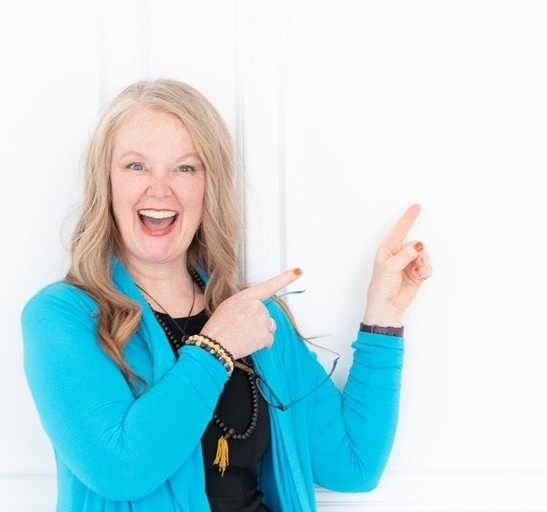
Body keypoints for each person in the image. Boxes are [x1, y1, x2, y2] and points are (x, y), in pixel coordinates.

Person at [21, 78, 432, 512]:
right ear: (106, 183)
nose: (159, 189)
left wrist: (384, 315)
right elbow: (122, 469)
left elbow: (354, 465)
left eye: (186, 168)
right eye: (136, 166)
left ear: (209, 186)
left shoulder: (254, 317)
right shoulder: (63, 316)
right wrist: (215, 348)